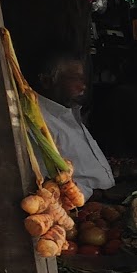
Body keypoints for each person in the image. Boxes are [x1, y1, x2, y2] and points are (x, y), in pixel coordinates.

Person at [32, 53, 114, 200]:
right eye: (75, 79)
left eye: (83, 80)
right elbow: (49, 183)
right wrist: (98, 195)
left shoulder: (70, 113)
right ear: (46, 81)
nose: (83, 87)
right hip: (83, 207)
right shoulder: (41, 122)